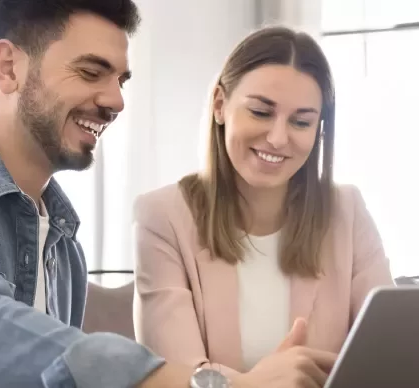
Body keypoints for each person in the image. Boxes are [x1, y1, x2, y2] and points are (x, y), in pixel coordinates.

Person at [0, 1, 333, 387]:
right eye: (90, 72)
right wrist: (223, 385)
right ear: (9, 67)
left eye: (122, 79)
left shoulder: (62, 242)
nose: (115, 100)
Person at [133, 26, 396, 376]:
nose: (277, 138)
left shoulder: (346, 211)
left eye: (301, 122)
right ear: (220, 105)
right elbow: (178, 377)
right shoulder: (162, 216)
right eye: (260, 112)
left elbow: (390, 352)